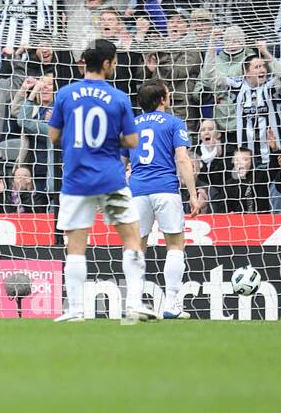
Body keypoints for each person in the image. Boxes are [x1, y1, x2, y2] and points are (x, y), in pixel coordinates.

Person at [46, 39, 146, 323]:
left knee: (76, 245)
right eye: (113, 62)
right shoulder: (118, 97)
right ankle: (134, 306)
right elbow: (131, 140)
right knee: (131, 240)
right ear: (106, 64)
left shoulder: (65, 93)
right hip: (111, 178)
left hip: (76, 180)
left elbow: (53, 136)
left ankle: (76, 311)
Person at [129, 82, 202, 320]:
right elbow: (182, 159)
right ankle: (171, 305)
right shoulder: (173, 123)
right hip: (165, 188)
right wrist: (192, 193)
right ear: (162, 99)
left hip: (137, 190)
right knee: (174, 244)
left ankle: (134, 304)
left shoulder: (130, 126)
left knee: (137, 247)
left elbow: (120, 162)